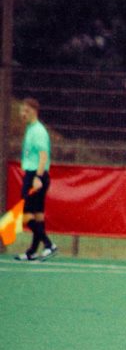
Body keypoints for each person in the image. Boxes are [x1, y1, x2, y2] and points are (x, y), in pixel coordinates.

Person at [14, 98, 55, 261]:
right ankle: (32, 251)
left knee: (25, 213)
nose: (23, 114)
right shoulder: (30, 129)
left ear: (34, 112)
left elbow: (43, 156)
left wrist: (38, 177)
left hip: (36, 175)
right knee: (38, 214)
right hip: (33, 174)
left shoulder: (38, 131)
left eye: (27, 111)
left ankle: (49, 244)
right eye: (22, 111)